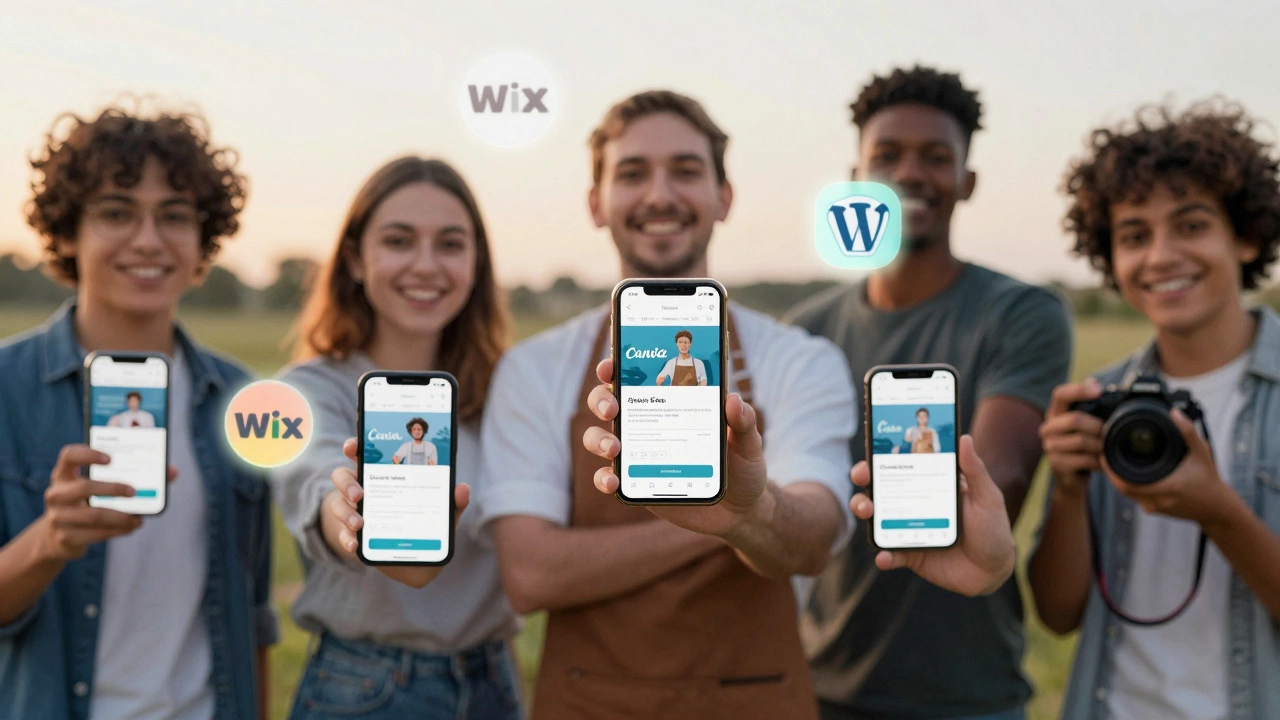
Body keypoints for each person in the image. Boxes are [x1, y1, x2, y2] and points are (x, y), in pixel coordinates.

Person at [475, 89, 1016, 720]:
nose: (659, 195)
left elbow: (815, 538)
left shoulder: (800, 359)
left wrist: (742, 509)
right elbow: (532, 574)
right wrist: (728, 520)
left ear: (723, 198)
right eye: (632, 173)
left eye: (685, 170)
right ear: (596, 203)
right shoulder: (535, 368)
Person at [787, 65, 1073, 720]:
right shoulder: (807, 330)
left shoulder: (1021, 313)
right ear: (856, 179)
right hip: (817, 689)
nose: (911, 173)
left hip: (967, 697)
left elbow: (999, 475)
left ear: (966, 182)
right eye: (887, 155)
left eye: (936, 157)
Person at [0, 105, 276, 720]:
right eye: (117, 212)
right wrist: (47, 542)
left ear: (202, 239)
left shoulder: (239, 397)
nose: (148, 240)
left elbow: (253, 613)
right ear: (68, 232)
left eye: (174, 216)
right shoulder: (5, 389)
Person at [1030, 100, 1280, 720]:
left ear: (1245, 235)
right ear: (1109, 257)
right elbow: (1058, 616)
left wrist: (1220, 513)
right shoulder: (1101, 398)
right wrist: (1066, 492)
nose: (1162, 256)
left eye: (1191, 225)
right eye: (1135, 235)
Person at [270, 156, 522, 720]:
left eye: (451, 244)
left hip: (492, 682)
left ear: (476, 263)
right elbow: (321, 487)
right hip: (364, 689)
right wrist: (356, 518)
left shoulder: (507, 391)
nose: (426, 265)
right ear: (357, 259)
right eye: (399, 241)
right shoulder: (306, 391)